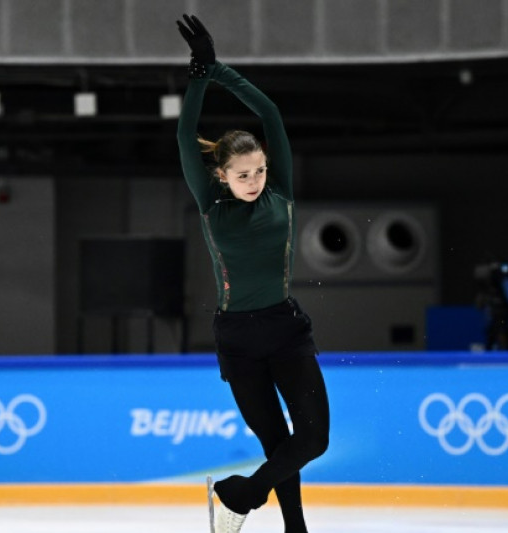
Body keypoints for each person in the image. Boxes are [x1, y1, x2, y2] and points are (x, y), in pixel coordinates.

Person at [176, 15, 329, 533]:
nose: (255, 180)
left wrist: (218, 69)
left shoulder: (280, 190)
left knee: (313, 439)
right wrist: (199, 77)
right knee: (275, 442)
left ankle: (239, 495)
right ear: (221, 175)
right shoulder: (210, 203)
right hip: (238, 339)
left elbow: (270, 112)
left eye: (260, 169)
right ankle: (294, 529)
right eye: (243, 174)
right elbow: (185, 133)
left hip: (286, 329)